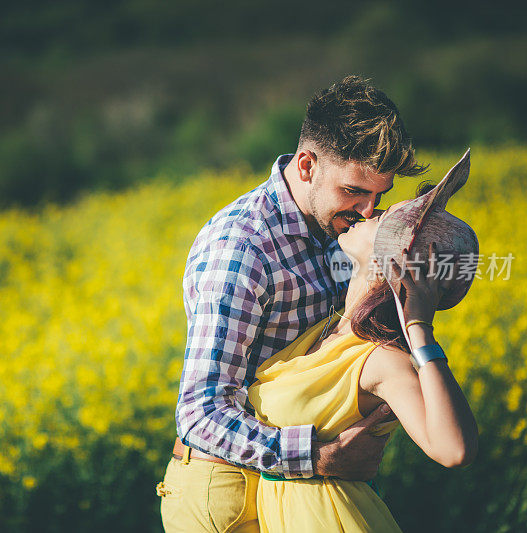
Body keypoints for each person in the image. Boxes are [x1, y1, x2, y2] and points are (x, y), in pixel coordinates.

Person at [157, 75, 427, 532]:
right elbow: (200, 412)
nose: (368, 211)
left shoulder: (342, 230)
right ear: (306, 165)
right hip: (229, 493)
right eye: (354, 191)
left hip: (304, 489)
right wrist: (321, 457)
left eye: (379, 195)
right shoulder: (242, 247)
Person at [250, 150, 479, 532]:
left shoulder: (381, 360)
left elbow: (455, 450)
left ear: (394, 258)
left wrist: (419, 327)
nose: (368, 213)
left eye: (384, 217)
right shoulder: (325, 329)